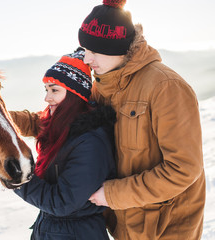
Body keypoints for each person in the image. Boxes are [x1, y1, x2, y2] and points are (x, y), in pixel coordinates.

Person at [77, 0, 206, 239]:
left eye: (94, 51)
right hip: (128, 224)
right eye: (84, 49)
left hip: (167, 228)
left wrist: (112, 194)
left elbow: (183, 169)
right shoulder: (105, 84)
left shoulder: (166, 87)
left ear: (118, 49)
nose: (86, 59)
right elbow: (69, 119)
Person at [11, 48, 116, 240]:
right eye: (46, 90)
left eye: (54, 90)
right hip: (55, 230)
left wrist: (17, 178)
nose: (47, 97)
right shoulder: (62, 130)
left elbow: (62, 202)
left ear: (75, 95)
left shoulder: (91, 141)